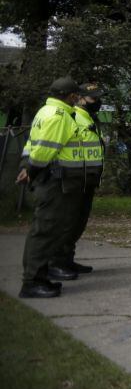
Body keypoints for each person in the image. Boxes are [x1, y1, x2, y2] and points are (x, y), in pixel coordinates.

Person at [16, 77, 84, 298]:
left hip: (48, 178)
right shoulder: (59, 116)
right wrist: (32, 170)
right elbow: (45, 150)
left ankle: (40, 277)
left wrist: (26, 166)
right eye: (77, 95)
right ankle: (32, 282)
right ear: (71, 96)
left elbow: (31, 144)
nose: (79, 98)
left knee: (45, 229)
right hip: (54, 181)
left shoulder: (44, 112)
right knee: (45, 231)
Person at [49, 82, 106, 276]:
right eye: (92, 98)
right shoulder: (71, 117)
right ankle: (55, 263)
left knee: (78, 223)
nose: (97, 102)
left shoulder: (89, 118)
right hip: (70, 179)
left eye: (98, 98)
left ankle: (67, 259)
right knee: (66, 223)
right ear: (79, 98)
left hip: (86, 179)